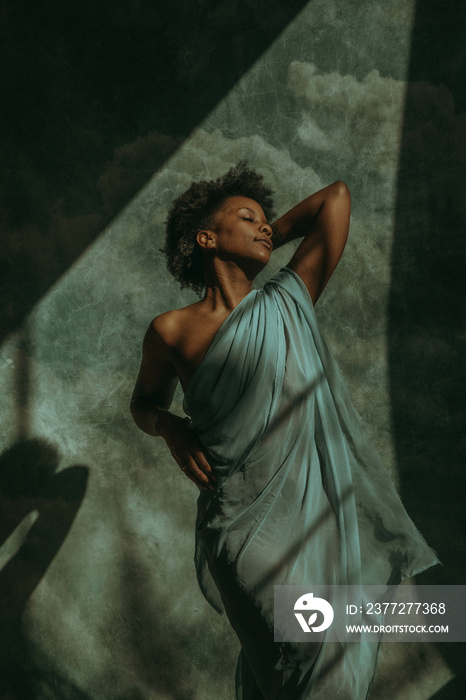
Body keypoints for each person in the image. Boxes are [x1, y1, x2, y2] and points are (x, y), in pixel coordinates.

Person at [129, 162, 441, 699]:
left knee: (334, 658)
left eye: (267, 222)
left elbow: (336, 198)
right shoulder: (171, 329)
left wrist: (267, 233)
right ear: (207, 237)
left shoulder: (287, 300)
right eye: (247, 218)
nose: (265, 227)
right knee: (299, 655)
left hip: (318, 524)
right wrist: (171, 428)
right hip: (242, 529)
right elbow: (143, 404)